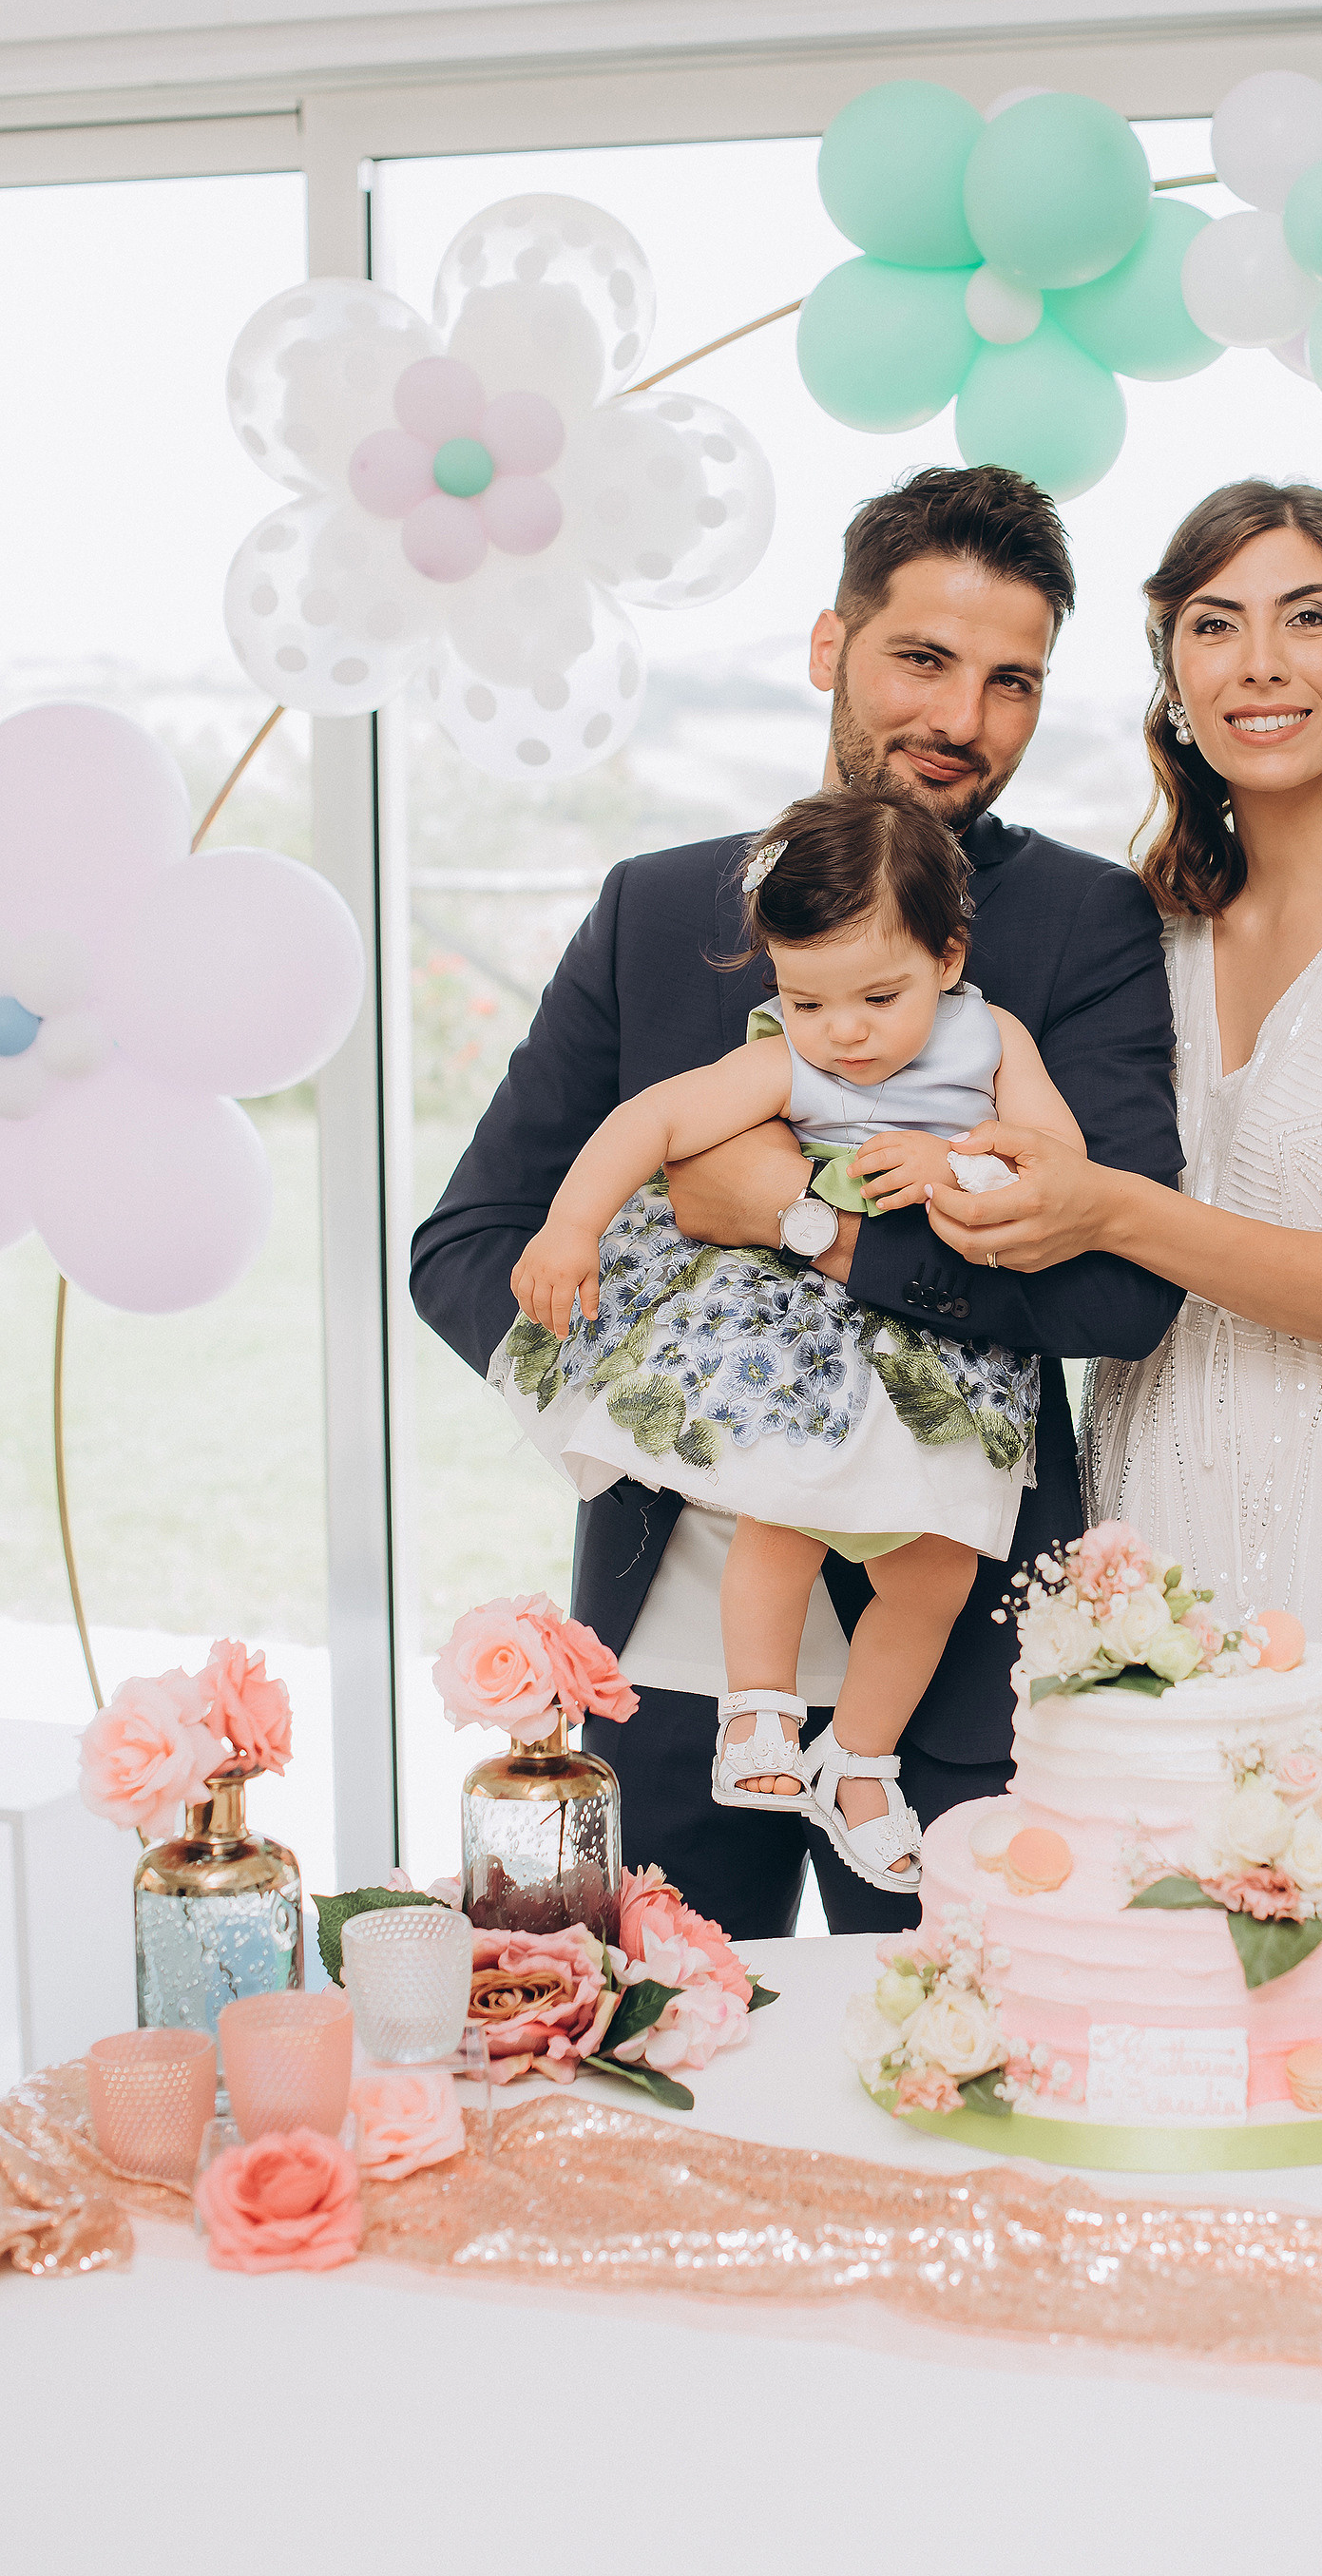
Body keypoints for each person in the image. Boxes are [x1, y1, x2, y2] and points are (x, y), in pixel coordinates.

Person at [411, 464, 1183, 1939]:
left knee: (960, 2103)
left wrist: (806, 1224)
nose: (962, 717)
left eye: (1010, 680)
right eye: (922, 659)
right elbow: (465, 1243)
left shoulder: (1082, 924)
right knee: (673, 2083)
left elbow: (1119, 1288)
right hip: (669, 1667)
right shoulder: (656, 906)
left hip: (957, 1670)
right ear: (831, 647)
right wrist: (650, 1388)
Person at [928, 479, 1322, 1853]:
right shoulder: (1153, 939)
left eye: (1307, 618)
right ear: (1173, 677)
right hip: (1144, 1508)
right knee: (1137, 1951)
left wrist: (1120, 1210)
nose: (1261, 663)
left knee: (1320, 1939)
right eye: (1215, 626)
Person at [496, 781, 1084, 1894]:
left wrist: (958, 1163)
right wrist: (573, 1227)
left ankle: (856, 1764)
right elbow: (654, 1122)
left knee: (936, 1567)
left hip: (938, 1357)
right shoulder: (791, 1057)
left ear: (947, 958)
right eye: (807, 1000)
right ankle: (755, 1710)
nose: (844, 1033)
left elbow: (1058, 1166)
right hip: (806, 1346)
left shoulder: (989, 1040)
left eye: (876, 995)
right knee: (781, 1515)